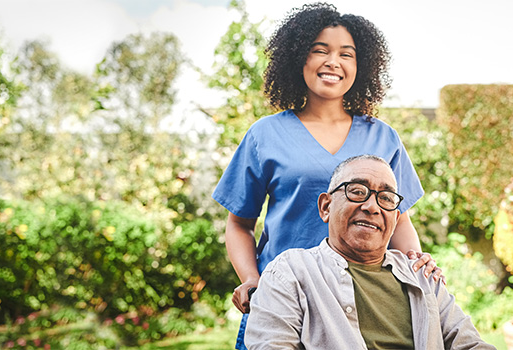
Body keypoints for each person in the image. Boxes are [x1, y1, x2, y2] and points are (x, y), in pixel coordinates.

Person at [211, 3, 442, 349]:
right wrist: (252, 280)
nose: (333, 61)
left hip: (364, 300)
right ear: (297, 59)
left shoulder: (383, 137)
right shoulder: (265, 135)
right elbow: (239, 224)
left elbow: (400, 220)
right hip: (283, 299)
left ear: (360, 66)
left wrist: (415, 266)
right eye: (320, 51)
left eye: (346, 54)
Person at [244, 155, 495, 350]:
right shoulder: (291, 272)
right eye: (357, 191)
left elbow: (469, 343)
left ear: (395, 219)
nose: (371, 206)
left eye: (386, 198)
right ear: (326, 206)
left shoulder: (422, 276)